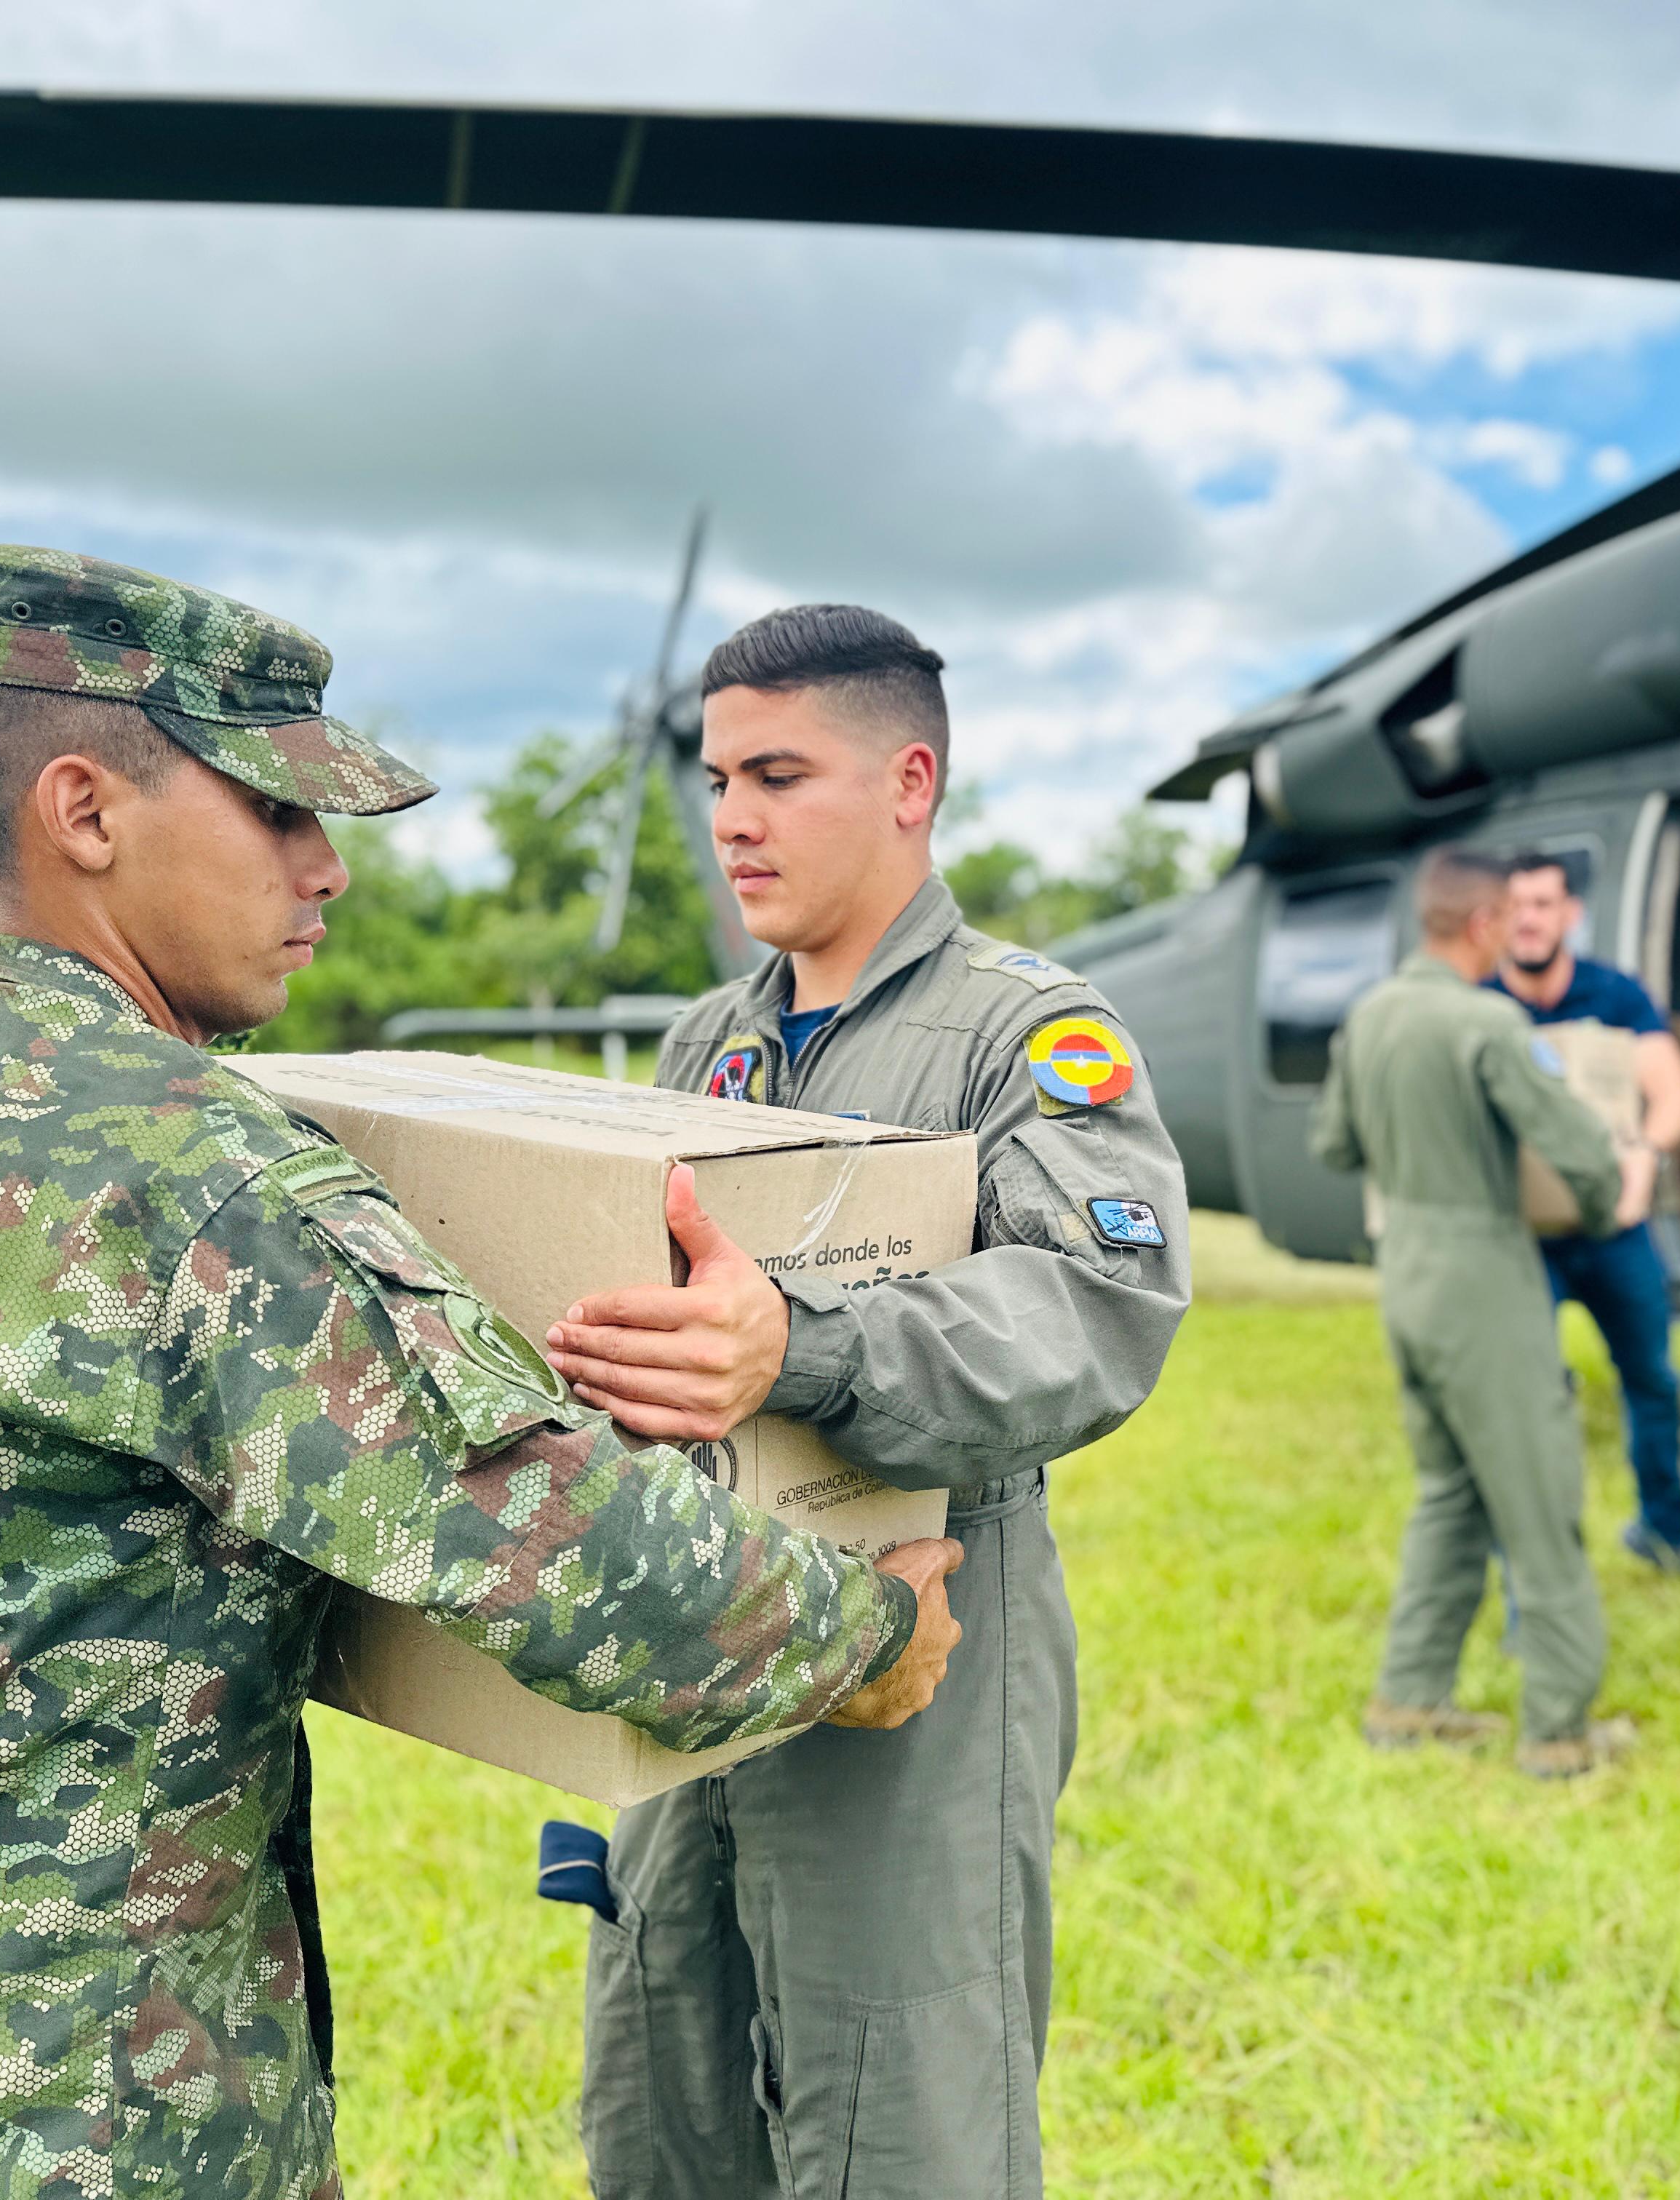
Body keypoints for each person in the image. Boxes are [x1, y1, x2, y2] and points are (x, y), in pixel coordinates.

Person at [0, 548, 962, 2200]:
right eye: (278, 812)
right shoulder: (200, 1171)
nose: (326, 868)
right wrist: (866, 1631)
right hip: (86, 2109)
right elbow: (572, 1555)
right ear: (85, 813)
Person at [541, 604, 1191, 2200]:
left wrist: (809, 1350)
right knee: (669, 2073)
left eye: (779, 774)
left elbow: (1098, 1303)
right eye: (716, 780)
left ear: (910, 782)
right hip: (708, 1624)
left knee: (899, 2108)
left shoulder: (1026, 1036)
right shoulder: (711, 1041)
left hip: (927, 1628)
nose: (734, 820)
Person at [1312, 845, 1647, 1780]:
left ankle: (1407, 1701)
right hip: (1482, 1274)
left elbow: (1335, 1144)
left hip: (1406, 1275)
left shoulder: (1370, 1015)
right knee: (1540, 1502)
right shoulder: (1486, 1022)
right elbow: (1579, 1145)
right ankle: (1560, 1731)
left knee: (1449, 1495)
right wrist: (1601, 1199)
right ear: (1483, 924)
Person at [1485, 853, 1680, 1577]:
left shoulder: (1614, 996)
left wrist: (1645, 1153)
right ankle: (1537, 1562)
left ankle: (1664, 1532)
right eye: (1516, 905)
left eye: (1544, 904)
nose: (1530, 919)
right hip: (1524, 1241)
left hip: (1616, 1229)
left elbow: (1675, 1096)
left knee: (1652, 1379)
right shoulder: (1483, 1006)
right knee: (1530, 1398)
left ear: (1570, 914)